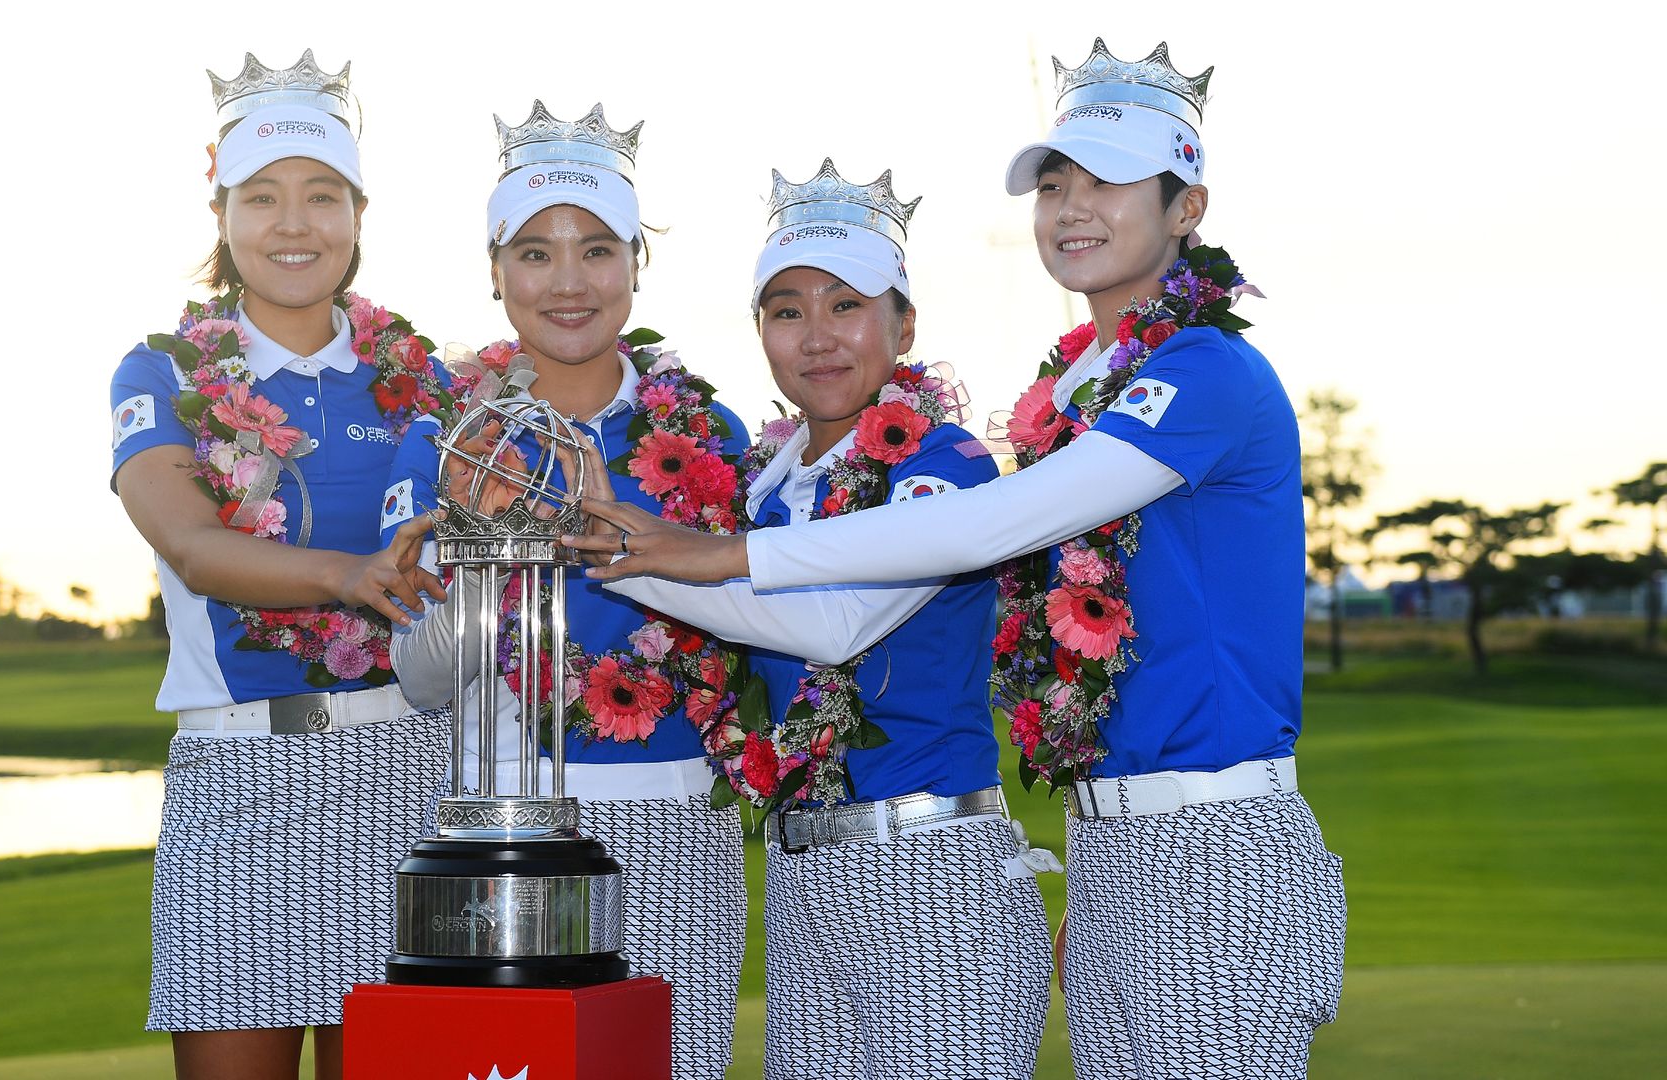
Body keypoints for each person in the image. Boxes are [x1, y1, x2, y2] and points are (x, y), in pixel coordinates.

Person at [566, 40, 1346, 1080]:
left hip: (1210, 841)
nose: (1072, 205)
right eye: (1055, 183)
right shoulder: (1077, 402)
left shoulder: (1206, 372)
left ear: (1187, 206)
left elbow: (976, 534)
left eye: (1109, 181)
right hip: (1107, 845)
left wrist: (695, 554)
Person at [570, 159, 1054, 1078]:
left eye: (847, 305)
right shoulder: (765, 482)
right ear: (760, 331)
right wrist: (634, 547)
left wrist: (626, 554)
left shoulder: (943, 466)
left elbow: (838, 626)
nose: (817, 337)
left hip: (931, 871)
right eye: (787, 310)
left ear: (904, 324)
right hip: (802, 877)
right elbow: (734, 614)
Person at [380, 101, 749, 1080]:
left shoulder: (710, 438)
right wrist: (488, 542)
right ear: (495, 271)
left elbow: (761, 626)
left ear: (637, 262)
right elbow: (418, 680)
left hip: (675, 824)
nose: (570, 281)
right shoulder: (445, 439)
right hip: (498, 834)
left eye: (597, 249)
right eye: (536, 254)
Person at [109, 51, 446, 1080]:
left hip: (406, 771)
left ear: (358, 212)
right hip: (238, 774)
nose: (293, 224)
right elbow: (192, 545)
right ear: (221, 213)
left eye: (320, 196)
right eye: (262, 197)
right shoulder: (163, 371)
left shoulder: (420, 374)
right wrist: (345, 577)